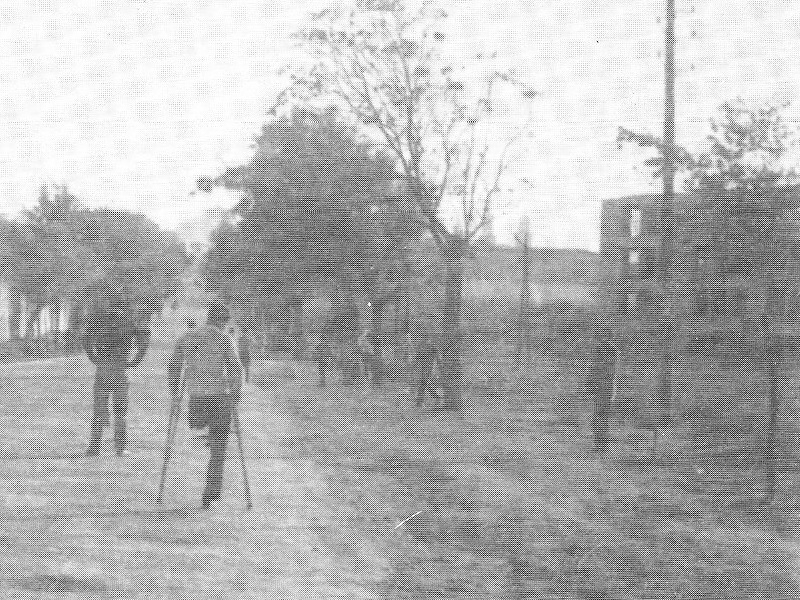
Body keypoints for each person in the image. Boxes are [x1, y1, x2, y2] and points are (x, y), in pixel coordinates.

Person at [168, 302, 242, 509]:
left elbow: (174, 366)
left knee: (204, 432)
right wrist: (235, 395)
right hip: (219, 399)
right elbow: (236, 369)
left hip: (196, 401)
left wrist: (175, 394)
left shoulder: (187, 337)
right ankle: (210, 492)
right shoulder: (224, 339)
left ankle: (203, 433)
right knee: (219, 447)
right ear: (223, 322)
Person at [82, 290, 151, 457]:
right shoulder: (128, 321)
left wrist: (93, 357)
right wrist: (135, 361)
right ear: (124, 305)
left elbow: (85, 338)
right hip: (120, 369)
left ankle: (94, 447)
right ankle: (120, 448)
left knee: (99, 410)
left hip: (103, 369)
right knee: (120, 411)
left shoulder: (99, 320)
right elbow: (144, 340)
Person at [589, 330, 618, 453]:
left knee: (601, 416)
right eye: (601, 336)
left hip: (606, 387)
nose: (603, 339)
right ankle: (599, 443)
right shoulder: (600, 349)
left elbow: (610, 371)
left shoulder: (611, 351)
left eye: (605, 336)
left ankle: (602, 444)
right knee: (598, 416)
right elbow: (593, 368)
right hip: (600, 387)